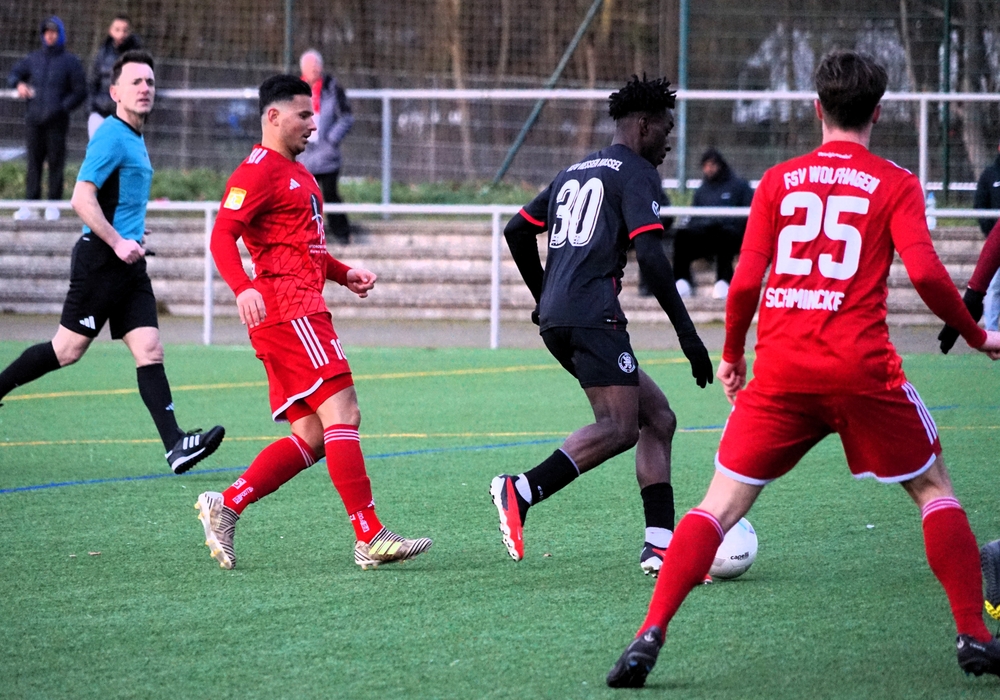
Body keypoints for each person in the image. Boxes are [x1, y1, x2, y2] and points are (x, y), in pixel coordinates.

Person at [607, 51, 1000, 689]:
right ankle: (973, 634)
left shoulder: (779, 180)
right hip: (864, 370)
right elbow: (928, 274)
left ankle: (649, 634)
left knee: (718, 506)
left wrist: (732, 356)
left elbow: (744, 285)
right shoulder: (896, 182)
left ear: (818, 108)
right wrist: (976, 334)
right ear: (878, 113)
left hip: (783, 371)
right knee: (934, 489)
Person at [196, 74, 432, 571]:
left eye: (314, 114)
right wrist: (242, 287)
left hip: (299, 310)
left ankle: (227, 505)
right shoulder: (257, 171)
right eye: (303, 115)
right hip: (290, 312)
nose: (313, 123)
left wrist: (344, 274)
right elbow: (222, 236)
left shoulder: (300, 173)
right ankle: (369, 535)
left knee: (312, 435)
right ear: (272, 116)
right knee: (344, 412)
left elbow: (305, 248)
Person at [492, 75, 713, 576]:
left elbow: (517, 230)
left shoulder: (574, 170)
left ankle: (659, 547)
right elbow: (652, 257)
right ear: (644, 125)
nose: (669, 141)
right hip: (594, 315)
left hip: (560, 318)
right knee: (618, 427)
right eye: (666, 129)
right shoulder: (636, 171)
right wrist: (687, 334)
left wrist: (544, 295)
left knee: (658, 418)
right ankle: (521, 489)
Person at [0, 51, 225, 475]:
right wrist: (119, 241)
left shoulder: (135, 137)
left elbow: (115, 200)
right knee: (67, 350)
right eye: (135, 82)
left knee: (150, 349)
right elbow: (81, 198)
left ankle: (176, 445)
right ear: (115, 91)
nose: (145, 89)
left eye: (150, 82)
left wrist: (134, 233)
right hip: (101, 262)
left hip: (129, 265)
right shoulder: (110, 134)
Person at [6, 16, 87, 222]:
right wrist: (18, 84)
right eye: (46, 32)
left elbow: (80, 91)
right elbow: (14, 74)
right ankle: (31, 204)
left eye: (54, 32)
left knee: (56, 163)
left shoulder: (70, 62)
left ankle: (53, 205)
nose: (50, 36)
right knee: (33, 163)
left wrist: (62, 108)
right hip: (34, 120)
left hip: (57, 122)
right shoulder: (33, 59)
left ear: (61, 35)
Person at [672, 148, 754, 300]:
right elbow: (694, 218)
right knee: (682, 237)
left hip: (731, 236)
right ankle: (683, 281)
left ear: (720, 165)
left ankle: (724, 282)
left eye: (712, 165)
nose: (709, 169)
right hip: (706, 234)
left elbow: (748, 215)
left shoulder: (739, 186)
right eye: (705, 166)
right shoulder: (702, 191)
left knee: (724, 237)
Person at [297, 49, 355, 245]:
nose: (314, 69)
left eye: (316, 65)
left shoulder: (332, 88)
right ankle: (306, 236)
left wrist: (331, 139)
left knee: (331, 195)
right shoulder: (294, 91)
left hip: (327, 155)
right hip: (304, 156)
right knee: (304, 198)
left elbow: (346, 117)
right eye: (310, 66)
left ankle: (342, 234)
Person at [87, 14, 142, 139]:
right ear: (110, 31)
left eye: (125, 30)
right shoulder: (102, 54)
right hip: (100, 112)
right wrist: (91, 110)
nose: (121, 34)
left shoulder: (138, 56)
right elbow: (92, 82)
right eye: (117, 30)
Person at [972, 142, 1000, 331]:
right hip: (997, 245)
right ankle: (992, 330)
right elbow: (980, 206)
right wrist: (992, 237)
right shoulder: (990, 175)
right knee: (994, 287)